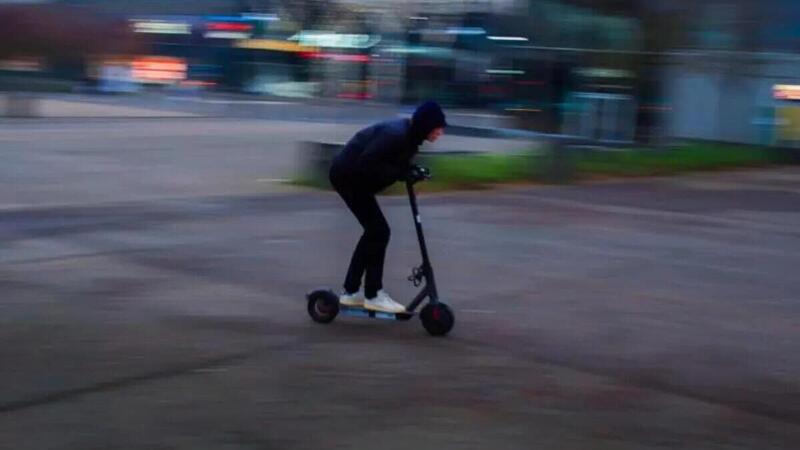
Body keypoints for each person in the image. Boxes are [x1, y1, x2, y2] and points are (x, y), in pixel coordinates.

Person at [328, 101, 446, 313]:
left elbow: (393, 161)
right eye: (438, 128)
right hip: (347, 176)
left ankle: (351, 291)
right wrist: (401, 173)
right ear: (426, 125)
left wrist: (412, 170)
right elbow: (367, 163)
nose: (441, 132)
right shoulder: (396, 135)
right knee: (379, 231)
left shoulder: (410, 138)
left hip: (354, 178)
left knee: (376, 232)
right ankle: (373, 294)